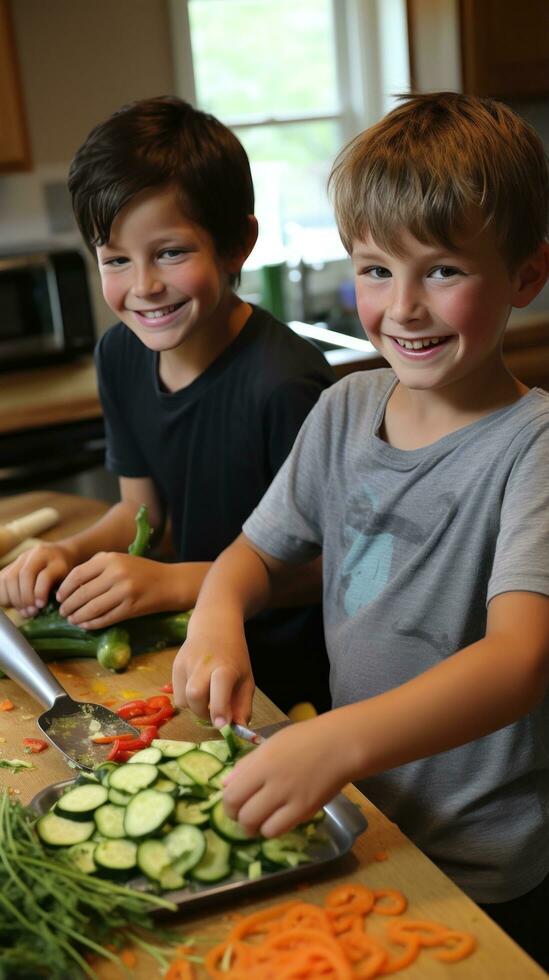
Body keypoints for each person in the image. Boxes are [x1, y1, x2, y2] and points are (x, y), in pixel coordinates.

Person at [172, 92, 549, 967]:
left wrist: (333, 738)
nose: (403, 307)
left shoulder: (533, 447)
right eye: (375, 270)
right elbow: (252, 555)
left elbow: (517, 662)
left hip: (486, 867)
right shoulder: (345, 409)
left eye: (443, 271)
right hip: (361, 822)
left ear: (527, 276)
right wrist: (219, 612)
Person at [0, 96, 334, 714]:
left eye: (171, 252)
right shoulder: (119, 356)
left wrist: (174, 580)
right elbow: (141, 510)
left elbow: (331, 571)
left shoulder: (286, 384)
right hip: (179, 657)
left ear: (238, 244)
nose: (144, 286)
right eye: (116, 260)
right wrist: (68, 553)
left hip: (282, 687)